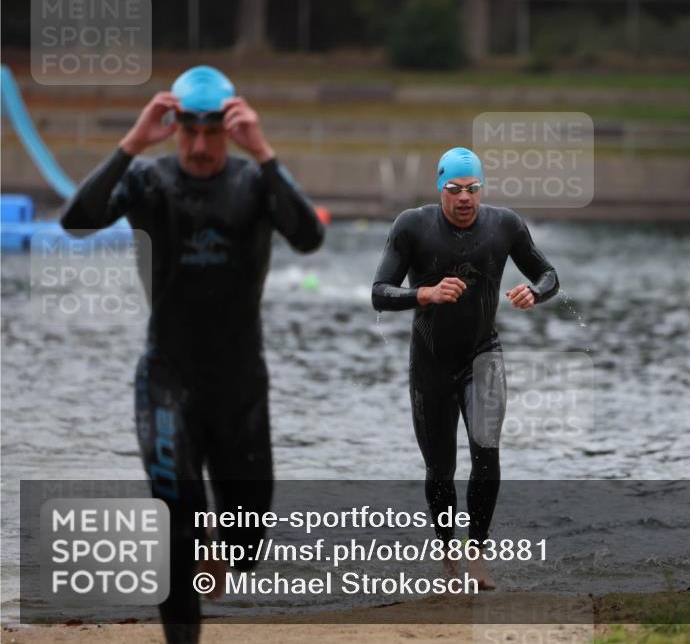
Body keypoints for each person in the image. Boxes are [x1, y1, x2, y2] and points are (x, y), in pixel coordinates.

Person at [60, 66, 325, 643]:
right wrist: (132, 143)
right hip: (167, 377)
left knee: (247, 542)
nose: (200, 146)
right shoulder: (148, 181)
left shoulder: (253, 184)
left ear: (229, 129)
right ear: (174, 125)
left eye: (213, 132)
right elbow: (76, 221)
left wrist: (264, 152)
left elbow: (308, 236)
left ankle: (221, 553)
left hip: (239, 385)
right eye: (189, 131)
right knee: (176, 522)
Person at [371, 147, 559, 590]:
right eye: (454, 190)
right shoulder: (412, 226)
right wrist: (425, 294)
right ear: (440, 190)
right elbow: (379, 292)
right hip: (430, 363)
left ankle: (476, 556)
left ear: (482, 189)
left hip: (483, 355)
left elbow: (549, 275)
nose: (464, 199)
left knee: (486, 451)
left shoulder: (505, 225)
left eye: (472, 189)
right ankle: (448, 560)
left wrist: (535, 293)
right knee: (439, 468)